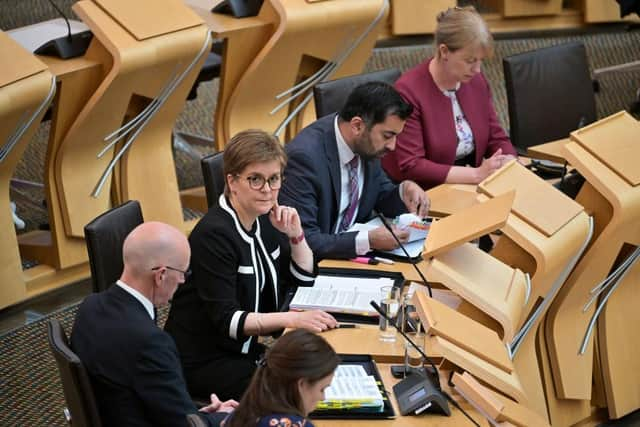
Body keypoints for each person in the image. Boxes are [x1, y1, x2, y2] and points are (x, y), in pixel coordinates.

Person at [165, 130, 337, 401]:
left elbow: (301, 280)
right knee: (295, 392)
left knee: (314, 376)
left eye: (274, 179)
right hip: (204, 361)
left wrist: (295, 235)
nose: (267, 190)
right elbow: (229, 320)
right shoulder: (214, 235)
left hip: (243, 352)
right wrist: (292, 319)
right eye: (255, 180)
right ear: (232, 181)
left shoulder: (263, 219)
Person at [71, 221, 237, 427]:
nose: (183, 281)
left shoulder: (90, 307)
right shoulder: (151, 343)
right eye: (183, 274)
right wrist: (226, 417)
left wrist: (197, 414)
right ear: (161, 275)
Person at [279, 81, 430, 261]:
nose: (392, 146)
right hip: (319, 266)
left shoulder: (364, 145)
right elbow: (302, 239)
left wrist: (403, 190)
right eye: (387, 136)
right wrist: (367, 240)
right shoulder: (304, 159)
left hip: (357, 257)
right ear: (357, 126)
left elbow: (378, 194)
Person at [381, 6, 518, 190]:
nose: (477, 70)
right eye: (470, 61)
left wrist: (509, 161)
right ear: (444, 51)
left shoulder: (476, 81)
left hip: (467, 185)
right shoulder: (408, 92)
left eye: (481, 61)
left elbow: (495, 136)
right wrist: (476, 175)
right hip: (424, 193)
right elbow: (412, 165)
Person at [222, 329, 340, 427]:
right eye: (322, 389)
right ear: (301, 384)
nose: (323, 398)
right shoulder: (294, 424)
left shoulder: (240, 412)